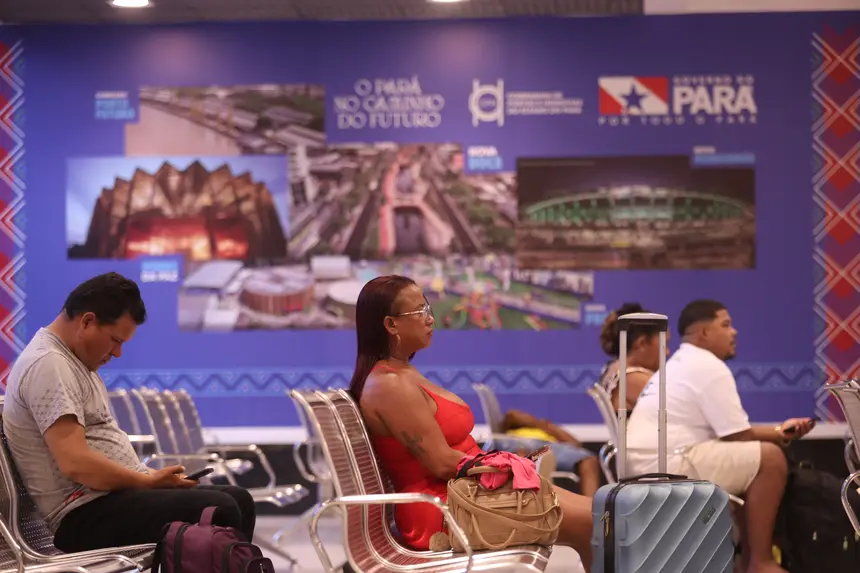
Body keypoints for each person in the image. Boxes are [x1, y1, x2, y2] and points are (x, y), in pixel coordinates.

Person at [348, 275, 593, 570]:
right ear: (391, 324)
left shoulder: (401, 373)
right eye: (420, 311)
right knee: (596, 523)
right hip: (445, 510)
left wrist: (505, 464)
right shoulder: (389, 385)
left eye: (428, 307)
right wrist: (505, 465)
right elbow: (441, 463)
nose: (430, 318)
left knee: (601, 514)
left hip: (466, 495)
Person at [3, 272, 256, 552]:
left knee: (239, 499)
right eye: (115, 340)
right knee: (220, 508)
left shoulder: (73, 362)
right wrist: (145, 481)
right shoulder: (49, 364)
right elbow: (75, 463)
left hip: (106, 500)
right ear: (87, 321)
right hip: (81, 515)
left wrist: (151, 479)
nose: (117, 353)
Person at [626, 300, 815, 573]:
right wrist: (779, 433)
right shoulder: (707, 365)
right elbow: (737, 435)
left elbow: (731, 433)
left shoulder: (680, 362)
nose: (734, 332)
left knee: (753, 458)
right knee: (771, 458)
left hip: (644, 464)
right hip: (667, 464)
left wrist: (778, 431)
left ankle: (746, 560)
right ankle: (760, 562)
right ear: (703, 333)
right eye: (725, 325)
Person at [499, 409, 602, 497]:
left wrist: (548, 427)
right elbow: (512, 415)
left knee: (589, 460)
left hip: (550, 447)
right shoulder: (513, 428)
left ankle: (591, 509)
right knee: (521, 457)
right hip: (522, 443)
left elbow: (575, 444)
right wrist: (535, 423)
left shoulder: (547, 428)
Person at [597, 302, 667, 412]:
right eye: (664, 344)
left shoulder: (613, 368)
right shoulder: (634, 379)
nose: (667, 352)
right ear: (642, 343)